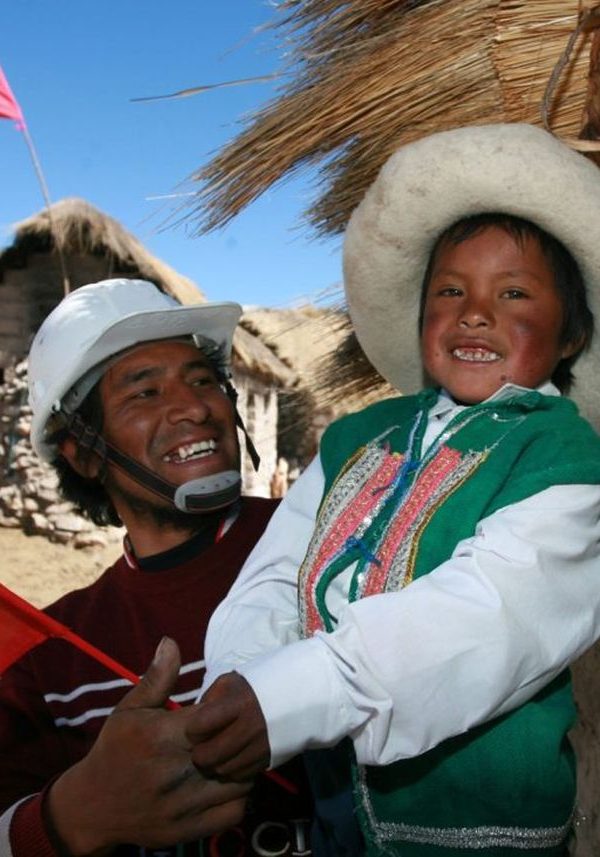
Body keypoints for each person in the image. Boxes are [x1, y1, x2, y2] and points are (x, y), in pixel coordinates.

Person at [189, 124, 600, 856]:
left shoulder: (564, 457)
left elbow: (493, 615)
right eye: (450, 290)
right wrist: (239, 682)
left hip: (479, 838)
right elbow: (277, 572)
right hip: (332, 809)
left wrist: (293, 696)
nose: (475, 311)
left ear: (570, 334)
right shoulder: (358, 436)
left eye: (513, 292)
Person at [0, 278, 312, 856]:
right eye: (144, 393)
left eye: (203, 380)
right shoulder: (53, 660)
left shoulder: (333, 539)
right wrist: (72, 817)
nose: (194, 407)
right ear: (83, 452)